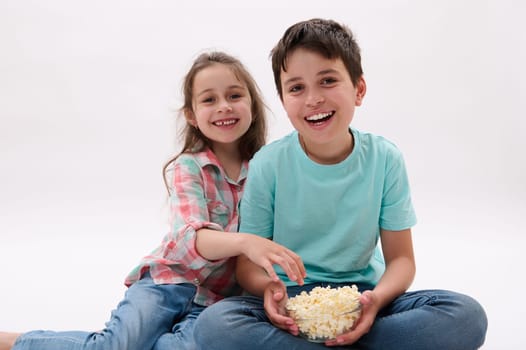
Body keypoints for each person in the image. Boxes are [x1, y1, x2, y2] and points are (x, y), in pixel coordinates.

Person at [193, 19, 488, 349]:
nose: (313, 99)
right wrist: (269, 291)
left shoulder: (385, 159)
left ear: (359, 89)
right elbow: (248, 265)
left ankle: (337, 339)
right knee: (215, 327)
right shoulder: (268, 164)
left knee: (466, 315)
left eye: (328, 81)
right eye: (296, 88)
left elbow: (402, 260)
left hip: (362, 298)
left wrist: (376, 301)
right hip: (290, 302)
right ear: (283, 98)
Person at [0, 51, 305, 350]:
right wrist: (245, 242)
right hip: (168, 282)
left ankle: (134, 340)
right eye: (209, 100)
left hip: (216, 298)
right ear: (192, 115)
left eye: (235, 96)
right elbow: (191, 238)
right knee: (113, 345)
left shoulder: (265, 170)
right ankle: (14, 342)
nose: (224, 106)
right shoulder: (189, 166)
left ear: (252, 104)